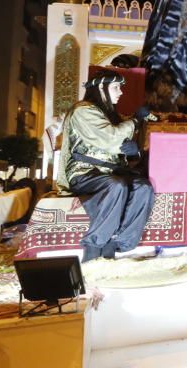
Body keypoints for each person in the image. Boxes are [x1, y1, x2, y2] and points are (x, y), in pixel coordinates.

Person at [59, 70, 156, 262]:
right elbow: (111, 138)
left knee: (144, 187)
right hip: (83, 173)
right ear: (100, 89)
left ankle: (119, 242)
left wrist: (132, 152)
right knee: (116, 186)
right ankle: (94, 247)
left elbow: (119, 148)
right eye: (116, 87)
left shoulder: (111, 114)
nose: (120, 92)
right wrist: (135, 120)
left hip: (112, 172)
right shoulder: (83, 111)